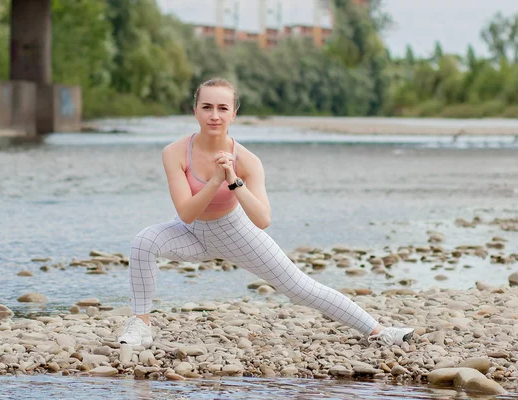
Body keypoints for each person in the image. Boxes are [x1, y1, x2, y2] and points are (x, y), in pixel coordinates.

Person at [118, 77, 414, 347]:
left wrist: (233, 180)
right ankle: (141, 326)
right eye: (207, 107)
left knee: (299, 288)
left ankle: (379, 332)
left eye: (223, 108)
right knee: (144, 242)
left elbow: (262, 219)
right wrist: (214, 181)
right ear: (195, 110)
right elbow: (186, 213)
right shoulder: (174, 152)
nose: (214, 115)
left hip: (235, 232)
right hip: (191, 233)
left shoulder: (248, 160)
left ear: (234, 113)